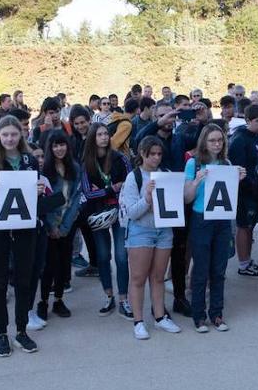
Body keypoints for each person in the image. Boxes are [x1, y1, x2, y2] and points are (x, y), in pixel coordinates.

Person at [0, 116, 48, 357]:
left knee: (24, 281)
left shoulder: (29, 161)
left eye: (13, 134)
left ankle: (21, 329)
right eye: (5, 134)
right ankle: (1, 333)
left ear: (21, 135)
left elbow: (34, 193)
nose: (9, 138)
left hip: (25, 228)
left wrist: (39, 191)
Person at [119, 136, 183, 339]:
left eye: (159, 154)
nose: (156, 158)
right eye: (152, 154)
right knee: (138, 277)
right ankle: (138, 321)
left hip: (164, 230)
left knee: (158, 277)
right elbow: (131, 212)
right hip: (141, 231)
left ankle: (160, 317)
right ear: (142, 154)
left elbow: (176, 202)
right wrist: (147, 198)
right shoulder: (134, 177)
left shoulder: (166, 174)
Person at [184, 123, 245, 331]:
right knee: (200, 269)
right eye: (212, 140)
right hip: (201, 219)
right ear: (204, 142)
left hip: (222, 219)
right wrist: (196, 182)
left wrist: (239, 179)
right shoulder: (194, 164)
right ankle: (198, 315)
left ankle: (217, 313)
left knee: (219, 269)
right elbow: (187, 197)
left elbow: (229, 193)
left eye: (220, 140)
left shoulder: (227, 163)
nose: (217, 144)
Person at [79, 122, 133, 318]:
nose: (104, 137)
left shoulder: (121, 159)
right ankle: (108, 296)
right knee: (102, 256)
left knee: (121, 256)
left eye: (105, 134)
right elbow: (87, 193)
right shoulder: (87, 163)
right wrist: (111, 189)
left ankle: (124, 300)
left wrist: (102, 191)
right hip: (97, 214)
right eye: (99, 134)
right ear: (93, 138)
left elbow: (130, 185)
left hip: (119, 212)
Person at [38, 131, 84, 321]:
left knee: (64, 264)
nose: (59, 149)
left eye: (62, 144)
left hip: (68, 224)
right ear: (50, 148)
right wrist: (51, 227)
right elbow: (44, 202)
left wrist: (64, 227)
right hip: (49, 225)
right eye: (55, 146)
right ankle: (43, 302)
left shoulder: (74, 167)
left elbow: (75, 199)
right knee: (48, 266)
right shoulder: (44, 170)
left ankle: (58, 300)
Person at [229, 104, 258, 278]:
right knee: (244, 226)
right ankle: (244, 264)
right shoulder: (239, 139)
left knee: (250, 226)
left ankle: (249, 260)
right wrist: (250, 185)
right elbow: (237, 169)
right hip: (245, 192)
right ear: (247, 121)